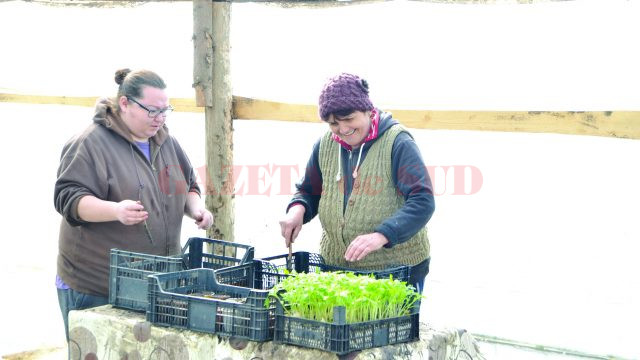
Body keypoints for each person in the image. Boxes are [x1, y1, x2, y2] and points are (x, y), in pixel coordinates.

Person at [53, 68, 213, 340]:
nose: (159, 118)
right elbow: (68, 198)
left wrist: (196, 209)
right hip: (96, 286)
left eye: (165, 110)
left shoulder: (166, 141)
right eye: (152, 110)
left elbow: (187, 185)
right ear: (125, 103)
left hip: (156, 282)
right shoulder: (90, 143)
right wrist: (115, 211)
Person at [279, 73, 434, 293]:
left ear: (368, 111)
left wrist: (382, 235)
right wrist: (297, 210)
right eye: (333, 123)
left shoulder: (398, 143)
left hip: (397, 269)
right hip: (335, 266)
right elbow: (308, 191)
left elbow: (423, 201)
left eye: (349, 119)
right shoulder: (325, 145)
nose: (342, 129)